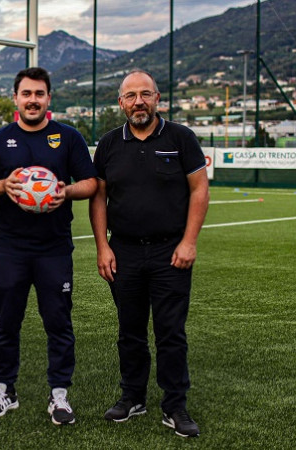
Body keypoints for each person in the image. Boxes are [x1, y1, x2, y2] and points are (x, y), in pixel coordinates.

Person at [0, 67, 97, 426]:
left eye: (39, 94)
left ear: (48, 98)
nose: (33, 100)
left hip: (54, 247)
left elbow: (90, 183)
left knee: (58, 322)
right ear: (16, 99)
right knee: (6, 322)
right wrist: (3, 185)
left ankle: (59, 395)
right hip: (10, 247)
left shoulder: (68, 137)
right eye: (27, 94)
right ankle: (4, 390)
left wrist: (65, 191)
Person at [88, 69, 209, 438]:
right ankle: (133, 397)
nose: (138, 102)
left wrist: (189, 242)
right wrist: (103, 246)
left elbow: (199, 189)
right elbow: (98, 197)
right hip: (123, 251)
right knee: (130, 331)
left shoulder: (181, 138)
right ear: (121, 102)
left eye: (145, 94)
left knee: (170, 332)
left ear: (158, 98)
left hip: (170, 251)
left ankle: (175, 405)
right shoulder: (109, 144)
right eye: (131, 96)